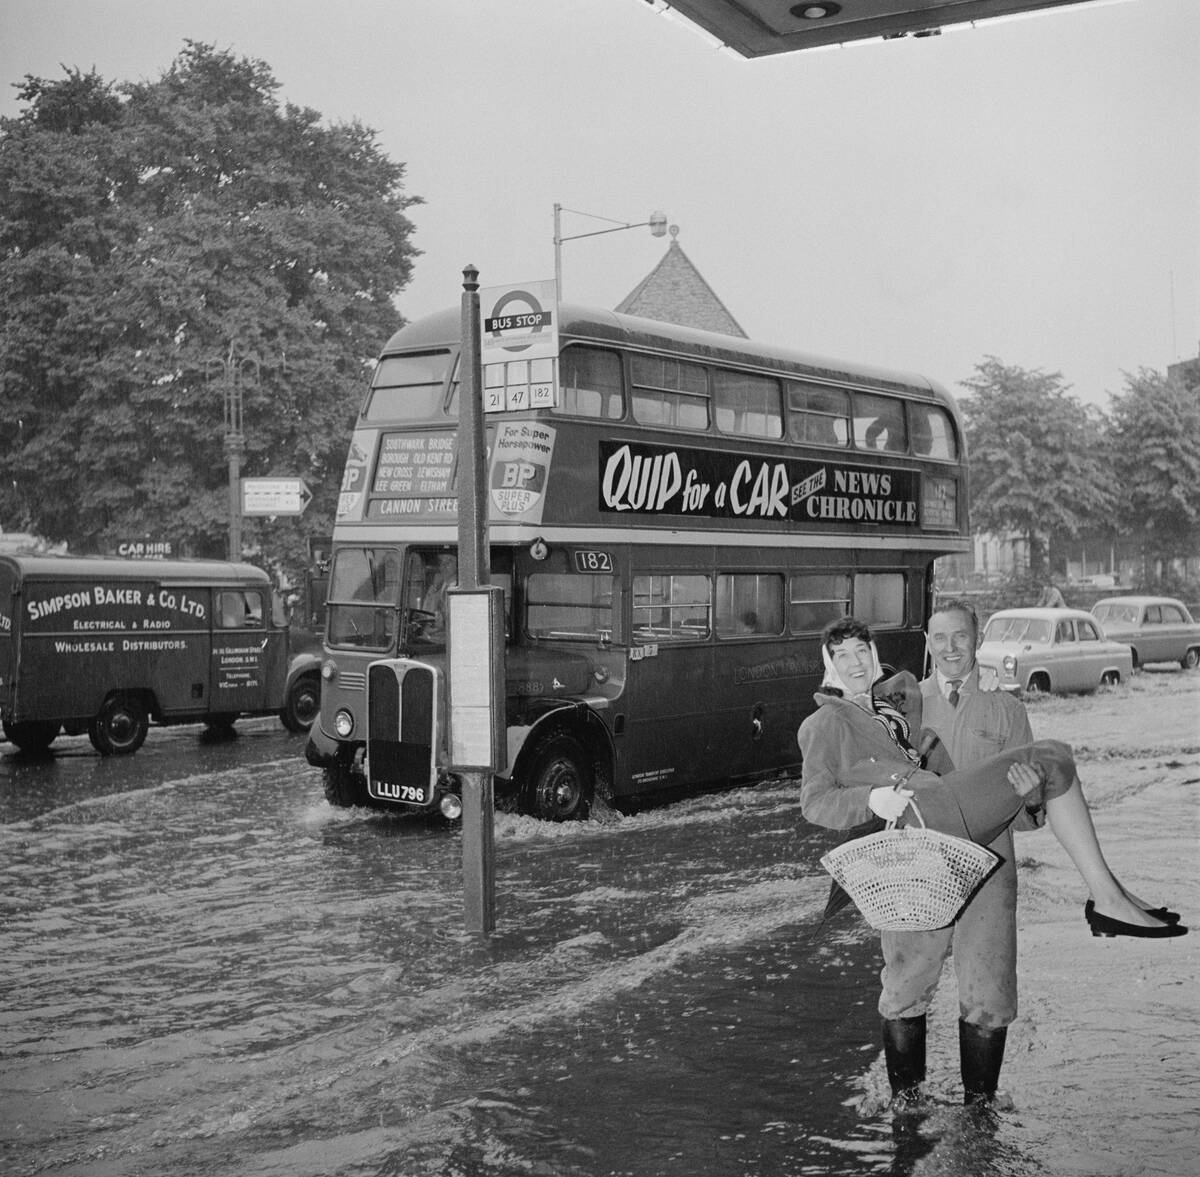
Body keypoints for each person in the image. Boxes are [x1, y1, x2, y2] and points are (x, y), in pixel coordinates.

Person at [797, 615, 1186, 1109]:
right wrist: (872, 801)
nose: (853, 662)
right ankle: (907, 1109)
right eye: (842, 655)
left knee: (1049, 767)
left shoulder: (902, 701)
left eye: (861, 651)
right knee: (904, 984)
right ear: (828, 664)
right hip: (920, 836)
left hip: (963, 827)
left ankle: (979, 1111)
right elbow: (816, 802)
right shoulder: (825, 722)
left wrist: (1026, 800)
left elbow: (955, 776)